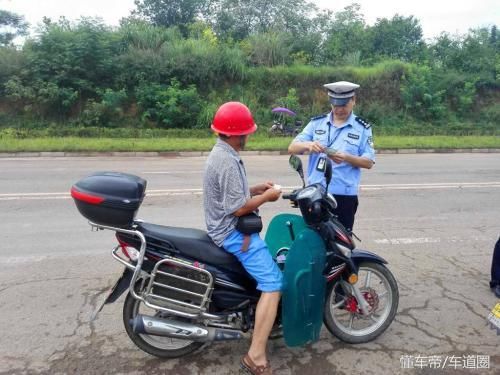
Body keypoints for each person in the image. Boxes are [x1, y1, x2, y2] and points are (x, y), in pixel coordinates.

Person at [203, 101, 282, 375]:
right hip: (232, 233)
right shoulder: (226, 160)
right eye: (246, 132)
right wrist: (267, 197)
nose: (248, 136)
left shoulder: (222, 152)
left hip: (222, 227)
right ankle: (256, 356)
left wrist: (256, 188)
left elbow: (232, 192)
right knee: (273, 282)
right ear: (237, 134)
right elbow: (237, 208)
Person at [288, 81, 375, 232]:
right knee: (313, 242)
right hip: (316, 194)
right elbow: (292, 147)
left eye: (343, 105)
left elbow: (368, 162)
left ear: (353, 100)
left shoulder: (362, 128)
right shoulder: (317, 123)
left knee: (341, 244)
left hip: (344, 196)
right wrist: (308, 145)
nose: (338, 110)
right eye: (335, 105)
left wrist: (346, 157)